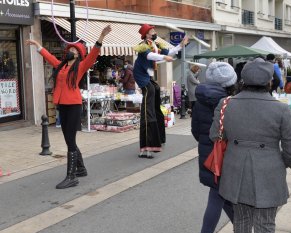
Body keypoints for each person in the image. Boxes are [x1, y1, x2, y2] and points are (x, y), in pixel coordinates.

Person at [209, 58, 291, 233]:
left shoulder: (226, 103)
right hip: (269, 170)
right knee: (265, 224)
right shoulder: (281, 109)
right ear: (269, 82)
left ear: (242, 80)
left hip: (235, 168)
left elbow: (214, 136)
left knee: (241, 219)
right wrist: (279, 162)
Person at [26, 25, 112, 189]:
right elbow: (49, 57)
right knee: (68, 139)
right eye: (69, 49)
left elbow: (93, 55)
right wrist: (38, 46)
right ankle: (81, 168)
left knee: (70, 140)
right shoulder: (62, 65)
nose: (70, 51)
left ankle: (72, 176)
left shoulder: (80, 66)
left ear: (78, 54)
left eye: (73, 49)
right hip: (62, 106)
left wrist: (101, 37)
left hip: (73, 106)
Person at [191, 62, 236, 233]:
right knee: (218, 195)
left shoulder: (199, 100)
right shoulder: (229, 102)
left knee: (221, 194)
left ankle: (239, 228)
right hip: (225, 154)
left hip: (207, 153)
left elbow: (195, 130)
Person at [133, 23, 188, 159]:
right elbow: (150, 56)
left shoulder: (155, 44)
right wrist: (164, 58)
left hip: (148, 77)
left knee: (155, 94)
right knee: (147, 112)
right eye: (152, 30)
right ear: (146, 34)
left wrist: (181, 45)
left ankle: (157, 140)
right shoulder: (144, 45)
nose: (154, 31)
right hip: (142, 78)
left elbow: (169, 52)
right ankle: (146, 147)